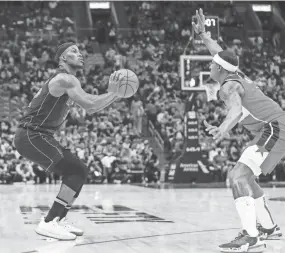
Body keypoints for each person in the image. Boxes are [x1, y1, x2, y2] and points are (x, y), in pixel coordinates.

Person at [192, 9, 282, 253]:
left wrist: (222, 128)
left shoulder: (228, 87)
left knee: (237, 177)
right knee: (247, 177)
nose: (210, 64)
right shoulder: (233, 74)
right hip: (271, 128)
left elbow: (234, 112)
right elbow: (216, 50)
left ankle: (252, 238)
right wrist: (202, 34)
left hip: (274, 129)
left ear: (220, 69)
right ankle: (268, 227)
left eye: (212, 64)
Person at [14, 42, 124, 240]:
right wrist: (114, 93)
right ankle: (49, 221)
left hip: (37, 135)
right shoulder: (65, 79)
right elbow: (90, 105)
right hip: (31, 135)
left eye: (80, 51)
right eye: (73, 51)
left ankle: (59, 219)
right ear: (63, 58)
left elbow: (90, 105)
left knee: (79, 171)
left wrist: (114, 95)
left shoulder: (69, 81)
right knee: (76, 170)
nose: (80, 54)